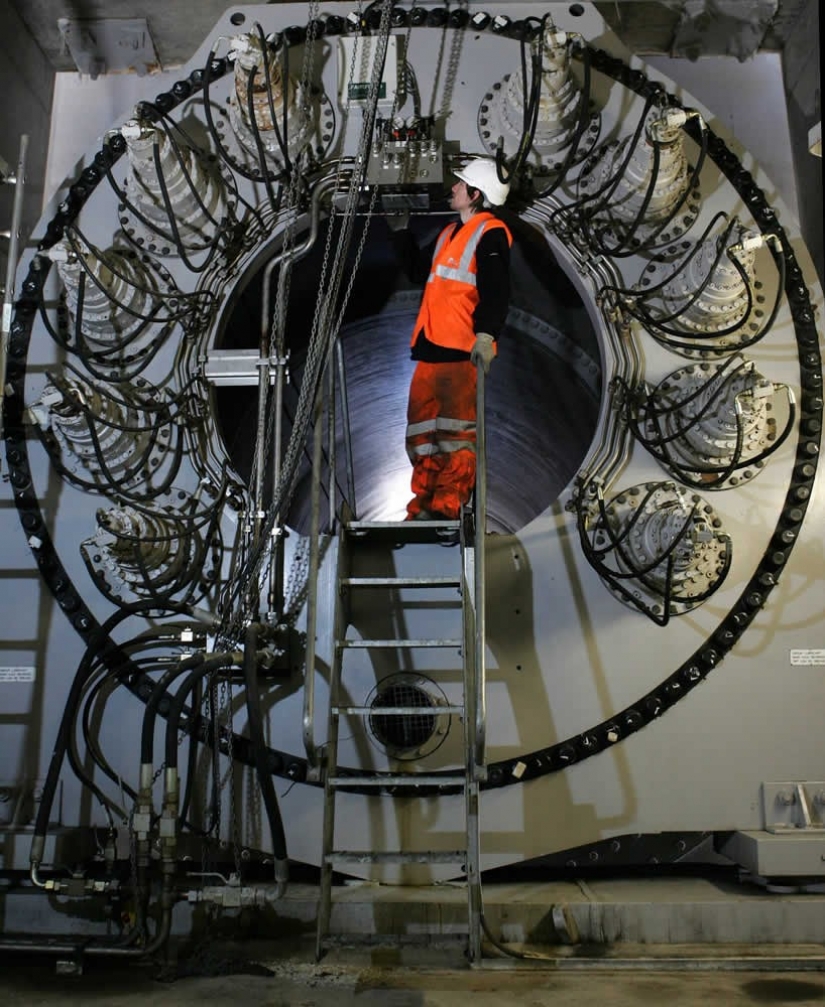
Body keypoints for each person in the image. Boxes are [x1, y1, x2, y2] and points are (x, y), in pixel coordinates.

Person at [389, 157, 512, 522]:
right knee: (422, 434)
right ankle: (422, 506)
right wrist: (400, 231)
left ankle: (446, 507)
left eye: (460, 184)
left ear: (476, 194)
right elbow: (416, 271)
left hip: (460, 351)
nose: (453, 188)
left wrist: (486, 335)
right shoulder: (448, 233)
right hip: (431, 347)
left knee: (456, 438)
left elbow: (497, 289)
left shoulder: (490, 233)